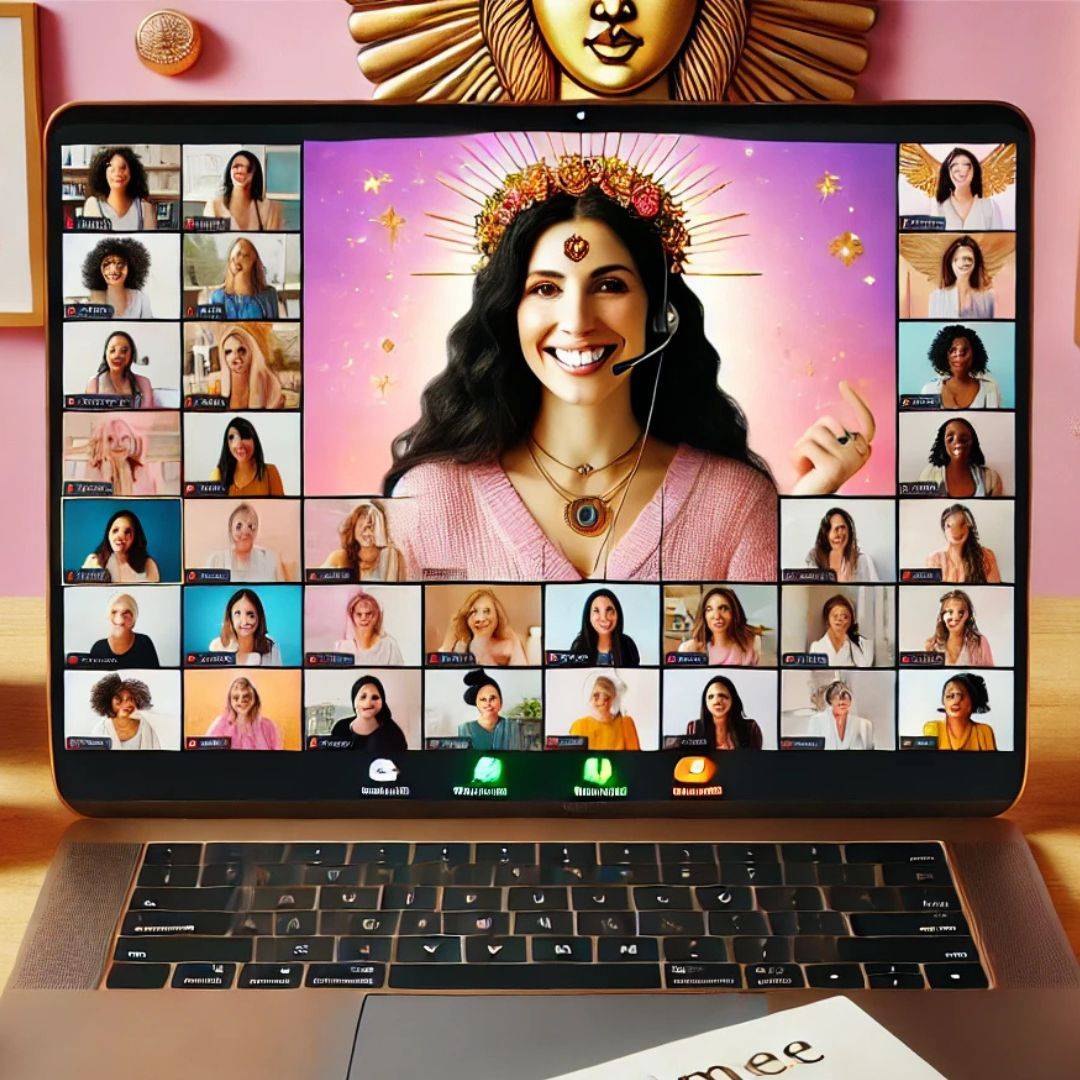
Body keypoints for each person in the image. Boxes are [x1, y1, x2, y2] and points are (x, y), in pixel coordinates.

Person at [384, 154, 876, 581]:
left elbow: (771, 662)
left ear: (660, 313)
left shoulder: (736, 503)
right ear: (509, 312)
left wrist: (803, 508)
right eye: (545, 289)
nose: (576, 322)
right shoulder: (428, 501)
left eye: (609, 286)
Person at [918, 418, 1004, 498]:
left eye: (964, 439)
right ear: (943, 444)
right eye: (951, 439)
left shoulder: (991, 478)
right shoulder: (929, 475)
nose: (958, 444)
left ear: (973, 443)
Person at [919, 325, 1001, 409]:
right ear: (944, 355)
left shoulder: (989, 389)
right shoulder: (929, 390)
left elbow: (993, 421)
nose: (958, 356)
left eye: (964, 351)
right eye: (952, 350)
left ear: (975, 354)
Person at [438, 588, 527, 666]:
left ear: (497, 616)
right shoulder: (462, 646)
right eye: (473, 612)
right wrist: (449, 640)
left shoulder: (509, 643)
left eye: (486, 611)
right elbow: (441, 673)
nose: (480, 619)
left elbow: (522, 676)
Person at [677, 586, 763, 665]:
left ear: (735, 612)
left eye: (724, 608)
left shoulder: (753, 644)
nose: (717, 616)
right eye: (709, 609)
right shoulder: (688, 649)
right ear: (704, 615)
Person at [202, 150, 284, 231]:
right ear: (229, 171)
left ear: (255, 175)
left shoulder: (268, 208)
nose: (241, 171)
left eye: (248, 169)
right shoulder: (213, 206)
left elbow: (272, 242)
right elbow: (210, 242)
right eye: (237, 166)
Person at [321, 501, 403, 581]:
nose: (368, 533)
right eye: (362, 527)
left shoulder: (391, 554)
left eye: (372, 527)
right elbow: (313, 577)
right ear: (353, 528)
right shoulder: (340, 556)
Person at [80, 146, 157, 231]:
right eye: (112, 169)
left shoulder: (145, 208)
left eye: (123, 168)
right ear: (103, 173)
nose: (118, 174)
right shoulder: (93, 204)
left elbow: (151, 242)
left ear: (132, 171)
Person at [206, 502, 288, 581]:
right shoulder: (216, 560)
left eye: (250, 526)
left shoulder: (271, 559)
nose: (245, 531)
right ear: (230, 530)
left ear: (256, 531)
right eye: (239, 526)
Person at [329, 674, 409, 753]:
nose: (368, 703)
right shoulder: (340, 728)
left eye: (375, 697)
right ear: (354, 701)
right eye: (363, 697)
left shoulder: (394, 734)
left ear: (382, 701)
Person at [925, 504, 1002, 584]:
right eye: (949, 526)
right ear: (944, 530)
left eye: (962, 524)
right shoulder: (935, 559)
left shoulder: (986, 556)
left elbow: (995, 586)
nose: (956, 531)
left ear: (969, 526)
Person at [931, 148, 1004, 231]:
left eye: (966, 166)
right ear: (948, 173)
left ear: (974, 171)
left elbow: (999, 241)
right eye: (954, 166)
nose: (961, 172)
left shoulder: (990, 206)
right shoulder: (937, 206)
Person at [209, 417, 285, 497]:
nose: (239, 444)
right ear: (227, 444)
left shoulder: (270, 472)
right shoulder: (218, 474)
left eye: (245, 436)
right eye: (232, 438)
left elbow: (281, 507)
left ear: (254, 441)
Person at [207, 237, 280, 320]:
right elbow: (214, 328)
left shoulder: (269, 294)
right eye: (235, 257)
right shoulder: (218, 296)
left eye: (245, 256)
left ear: (254, 262)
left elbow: (273, 326)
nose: (239, 260)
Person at [215, 323, 284, 410]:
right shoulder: (220, 381)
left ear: (251, 350)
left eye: (242, 350)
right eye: (228, 352)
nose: (237, 359)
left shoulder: (261, 377)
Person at [82, 417, 157, 496]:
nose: (119, 444)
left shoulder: (141, 470)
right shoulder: (95, 469)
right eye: (110, 439)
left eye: (124, 438)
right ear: (103, 443)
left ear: (132, 441)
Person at [923, 672, 997, 751]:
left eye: (961, 696)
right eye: (949, 696)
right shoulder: (933, 727)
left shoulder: (984, 731)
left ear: (973, 700)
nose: (955, 701)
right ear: (943, 701)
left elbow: (993, 762)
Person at [685, 674, 763, 750]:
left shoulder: (751, 729)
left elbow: (755, 760)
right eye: (711, 697)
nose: (716, 702)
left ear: (733, 699)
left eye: (722, 696)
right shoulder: (693, 728)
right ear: (705, 702)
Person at [82, 508, 160, 583]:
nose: (120, 537)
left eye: (127, 532)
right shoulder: (93, 561)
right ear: (108, 534)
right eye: (115, 530)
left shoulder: (148, 565)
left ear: (135, 537)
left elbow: (152, 594)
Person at [80, 238, 152, 318]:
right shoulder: (93, 302)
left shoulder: (140, 299)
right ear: (99, 268)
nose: (114, 270)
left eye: (120, 264)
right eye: (107, 264)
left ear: (130, 268)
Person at [205, 675, 283, 750]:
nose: (241, 701)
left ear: (255, 699)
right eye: (236, 697)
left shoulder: (268, 726)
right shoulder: (220, 724)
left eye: (246, 697)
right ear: (230, 701)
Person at [208, 588, 283, 665]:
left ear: (259, 617)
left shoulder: (271, 646)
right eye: (237, 614)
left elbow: (279, 676)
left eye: (251, 615)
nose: (244, 622)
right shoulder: (217, 646)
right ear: (230, 618)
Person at [456, 669, 527, 750]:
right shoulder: (465, 729)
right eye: (483, 699)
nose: (488, 703)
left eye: (492, 698)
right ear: (477, 703)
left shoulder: (513, 728)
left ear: (500, 702)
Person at [928, 235, 995, 319]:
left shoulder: (988, 299)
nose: (963, 263)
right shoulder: (936, 297)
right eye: (957, 259)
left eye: (968, 259)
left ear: (976, 263)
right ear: (950, 263)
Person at [569, 672, 640, 750]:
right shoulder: (579, 726)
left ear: (613, 699)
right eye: (596, 695)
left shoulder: (626, 724)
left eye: (606, 696)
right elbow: (574, 759)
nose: (601, 701)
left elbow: (635, 758)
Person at [804, 507, 879, 582]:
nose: (838, 535)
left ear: (849, 531)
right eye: (832, 529)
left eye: (842, 528)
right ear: (825, 534)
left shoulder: (863, 561)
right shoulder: (814, 559)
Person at [89, 673, 161, 750]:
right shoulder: (101, 729)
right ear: (108, 701)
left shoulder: (148, 728)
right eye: (119, 698)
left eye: (130, 699)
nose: (125, 703)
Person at [568, 588, 639, 665]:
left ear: (618, 614)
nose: (604, 618)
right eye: (596, 611)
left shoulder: (627, 645)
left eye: (609, 610)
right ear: (588, 616)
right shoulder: (579, 645)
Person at [924, 590, 994, 666]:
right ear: (942, 616)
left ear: (968, 616)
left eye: (961, 612)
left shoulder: (980, 643)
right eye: (950, 612)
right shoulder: (931, 647)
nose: (955, 617)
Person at [89, 592, 161, 667]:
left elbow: (155, 676)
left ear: (134, 619)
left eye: (126, 613)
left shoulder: (144, 643)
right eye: (114, 612)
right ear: (108, 616)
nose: (119, 620)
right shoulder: (98, 648)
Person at [333, 589, 404, 664]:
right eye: (359, 614)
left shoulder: (389, 645)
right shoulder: (342, 647)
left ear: (376, 616)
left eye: (368, 613)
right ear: (352, 616)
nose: (363, 618)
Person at [85, 330, 154, 407]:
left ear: (132, 355)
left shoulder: (144, 383)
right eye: (112, 350)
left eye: (124, 351)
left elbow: (147, 415)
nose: (117, 355)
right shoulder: (94, 383)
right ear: (106, 354)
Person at [808, 595, 874, 667]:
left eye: (844, 616)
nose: (839, 619)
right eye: (835, 616)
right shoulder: (816, 647)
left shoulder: (859, 646)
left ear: (851, 620)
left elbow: (865, 668)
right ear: (827, 619)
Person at [806, 679, 875, 750]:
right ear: (830, 700)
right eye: (837, 699)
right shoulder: (817, 721)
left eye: (844, 698)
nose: (841, 701)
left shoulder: (865, 725)